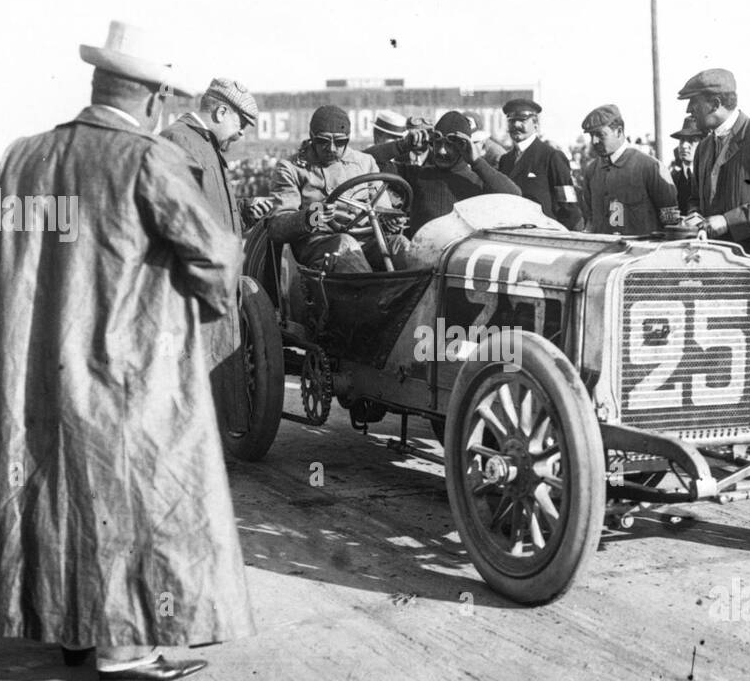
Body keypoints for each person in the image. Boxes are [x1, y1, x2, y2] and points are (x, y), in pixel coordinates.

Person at [0, 20, 254, 681]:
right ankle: (121, 646)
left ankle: (67, 626)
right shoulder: (150, 160)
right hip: (125, 360)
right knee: (123, 495)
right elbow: (214, 255)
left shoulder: (26, 154)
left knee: (52, 490)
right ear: (151, 99)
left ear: (97, 84)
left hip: (33, 362)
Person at [161, 77, 260, 443]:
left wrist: (245, 210)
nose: (241, 135)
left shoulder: (201, 145)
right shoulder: (181, 142)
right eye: (241, 125)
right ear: (221, 111)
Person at [678, 70, 750, 337]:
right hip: (720, 270)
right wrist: (695, 215)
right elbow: (695, 199)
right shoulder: (705, 147)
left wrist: (727, 220)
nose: (690, 110)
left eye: (694, 102)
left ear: (716, 103)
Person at [266, 105, 410, 272]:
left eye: (340, 142)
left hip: (368, 241)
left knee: (401, 246)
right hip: (318, 244)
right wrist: (311, 216)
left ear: (348, 139)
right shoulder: (291, 168)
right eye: (323, 141)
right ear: (312, 137)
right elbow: (277, 227)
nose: (332, 148)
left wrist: (389, 219)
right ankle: (371, 293)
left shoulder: (365, 162)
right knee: (345, 245)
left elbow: (383, 209)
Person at [403, 111, 522, 232]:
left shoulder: (478, 181)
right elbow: (382, 165)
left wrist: (476, 162)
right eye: (438, 143)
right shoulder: (418, 175)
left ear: (464, 146)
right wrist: (402, 145)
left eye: (450, 145)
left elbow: (514, 196)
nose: (441, 151)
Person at [579, 103, 677, 235]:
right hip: (603, 251)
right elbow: (590, 218)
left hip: (642, 252)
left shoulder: (649, 167)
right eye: (591, 135)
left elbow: (671, 222)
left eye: (600, 135)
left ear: (619, 132)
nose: (594, 141)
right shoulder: (592, 171)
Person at [496, 98, 582, 230]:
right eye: (512, 120)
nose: (516, 125)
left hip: (543, 236)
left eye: (523, 120)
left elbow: (569, 207)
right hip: (512, 234)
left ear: (535, 124)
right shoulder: (505, 160)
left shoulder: (552, 157)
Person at [667, 115, 703, 208]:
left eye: (692, 141)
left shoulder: (709, 177)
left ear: (704, 144)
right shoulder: (672, 179)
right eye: (682, 140)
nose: (684, 146)